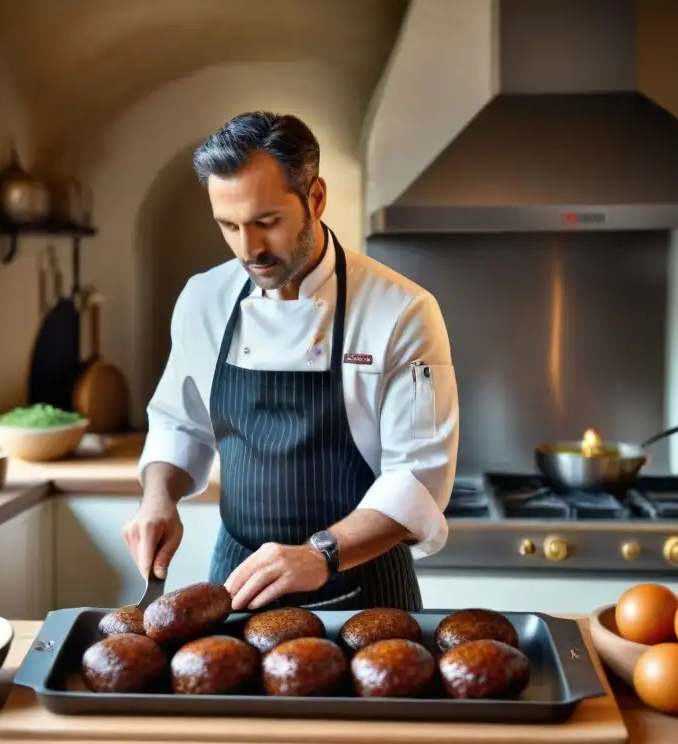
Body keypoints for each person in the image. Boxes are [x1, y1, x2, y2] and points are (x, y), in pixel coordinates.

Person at [122, 111, 459, 612]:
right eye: (228, 225)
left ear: (316, 198)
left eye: (267, 222)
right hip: (239, 586)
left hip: (365, 591)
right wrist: (158, 498)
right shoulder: (203, 300)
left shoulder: (402, 311)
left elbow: (418, 478)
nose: (248, 248)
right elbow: (179, 424)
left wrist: (320, 552)